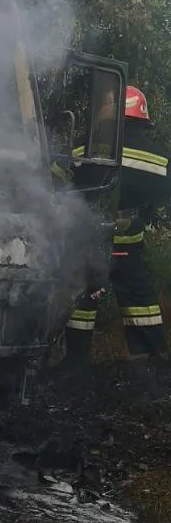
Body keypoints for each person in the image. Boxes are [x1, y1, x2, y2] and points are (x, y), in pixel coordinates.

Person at [64, 84, 171, 364]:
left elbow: (57, 179)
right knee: (140, 298)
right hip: (128, 242)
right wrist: (148, 213)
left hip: (90, 242)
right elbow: (163, 195)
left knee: (81, 297)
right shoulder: (160, 158)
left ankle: (74, 359)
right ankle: (152, 357)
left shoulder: (85, 148)